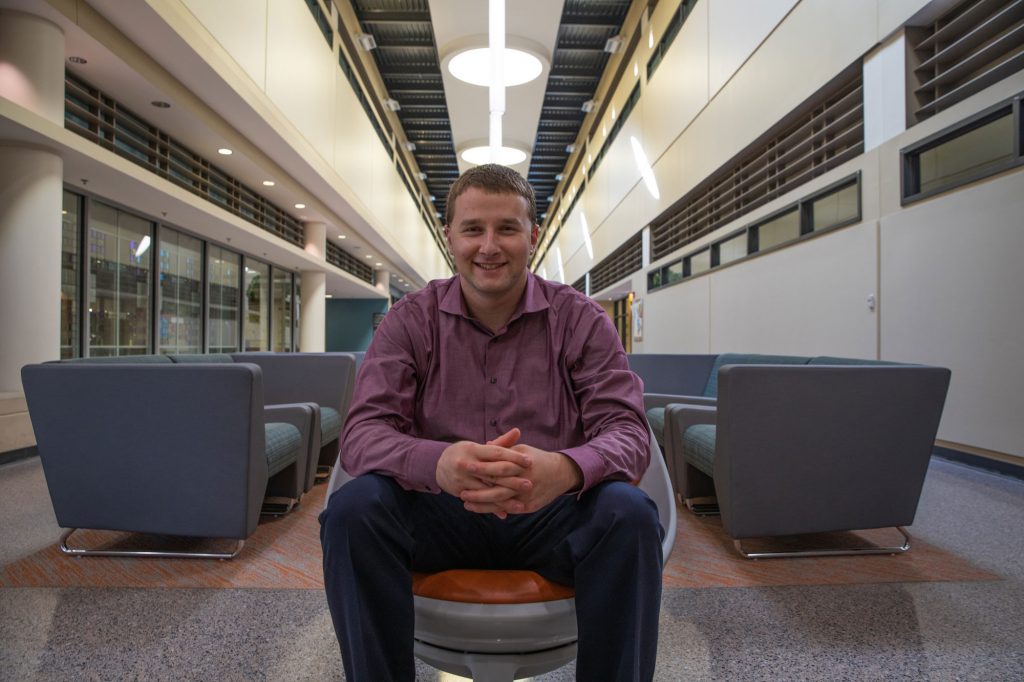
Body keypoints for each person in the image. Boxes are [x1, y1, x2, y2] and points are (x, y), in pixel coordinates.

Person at [319, 163, 664, 681]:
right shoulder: (410, 320)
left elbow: (629, 432)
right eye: (473, 229)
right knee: (354, 510)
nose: (489, 246)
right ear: (449, 236)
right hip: (437, 511)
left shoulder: (580, 319)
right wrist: (437, 462)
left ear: (533, 235)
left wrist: (566, 469)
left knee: (629, 512)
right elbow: (363, 434)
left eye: (506, 228)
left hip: (553, 512)